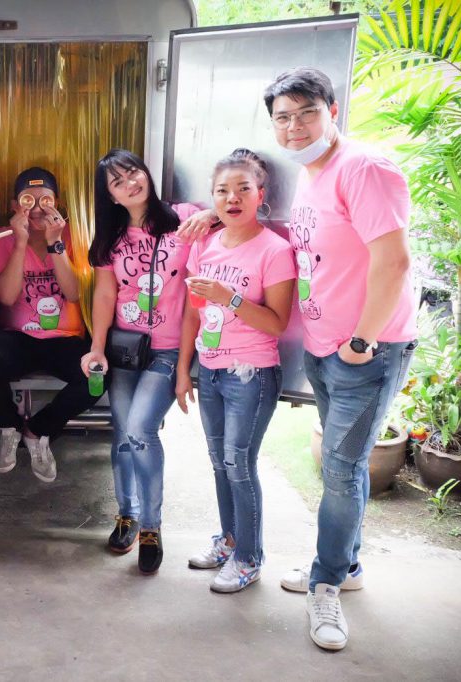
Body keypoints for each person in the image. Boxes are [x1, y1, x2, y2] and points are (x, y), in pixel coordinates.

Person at [181, 68, 417, 651]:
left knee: (340, 468)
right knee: (345, 467)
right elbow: (277, 230)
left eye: (306, 112)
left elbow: (393, 261)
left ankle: (326, 583)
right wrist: (212, 215)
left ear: (332, 110)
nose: (294, 126)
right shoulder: (313, 177)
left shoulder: (364, 168)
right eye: (282, 117)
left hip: (364, 351)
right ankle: (347, 564)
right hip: (322, 349)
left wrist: (362, 341)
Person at [177, 148, 295, 593]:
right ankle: (229, 541)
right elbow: (192, 313)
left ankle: (249, 557)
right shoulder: (204, 245)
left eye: (243, 189)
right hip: (209, 371)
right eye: (222, 191)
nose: (233, 198)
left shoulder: (275, 250)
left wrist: (230, 297)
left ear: (260, 195)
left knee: (238, 464)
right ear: (212, 199)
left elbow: (277, 323)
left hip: (252, 374)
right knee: (219, 462)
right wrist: (184, 370)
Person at [79, 149, 203, 575]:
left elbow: (227, 220)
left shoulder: (184, 218)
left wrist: (212, 216)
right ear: (110, 196)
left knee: (140, 429)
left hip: (167, 350)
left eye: (132, 172)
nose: (130, 183)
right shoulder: (111, 239)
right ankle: (127, 515)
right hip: (125, 350)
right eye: (117, 182)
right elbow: (105, 294)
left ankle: (151, 526)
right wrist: (97, 347)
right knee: (121, 433)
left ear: (146, 173)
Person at [0, 167, 99, 483]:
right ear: (16, 206)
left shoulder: (73, 235)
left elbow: (73, 292)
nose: (39, 209)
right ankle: (9, 426)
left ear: (57, 203)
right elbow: (6, 296)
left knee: (97, 377)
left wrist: (56, 243)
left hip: (65, 339)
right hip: (18, 337)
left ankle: (38, 430)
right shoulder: (1, 237)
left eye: (47, 200)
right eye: (29, 201)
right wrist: (20, 243)